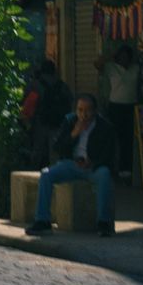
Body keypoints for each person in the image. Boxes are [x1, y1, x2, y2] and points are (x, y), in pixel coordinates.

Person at [28, 92, 117, 236]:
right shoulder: (70, 122)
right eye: (80, 110)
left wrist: (93, 162)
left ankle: (104, 223)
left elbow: (110, 154)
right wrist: (73, 134)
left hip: (93, 167)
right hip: (72, 164)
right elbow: (57, 148)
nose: (84, 114)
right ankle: (42, 220)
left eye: (87, 110)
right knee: (46, 175)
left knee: (105, 175)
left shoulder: (105, 127)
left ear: (95, 111)